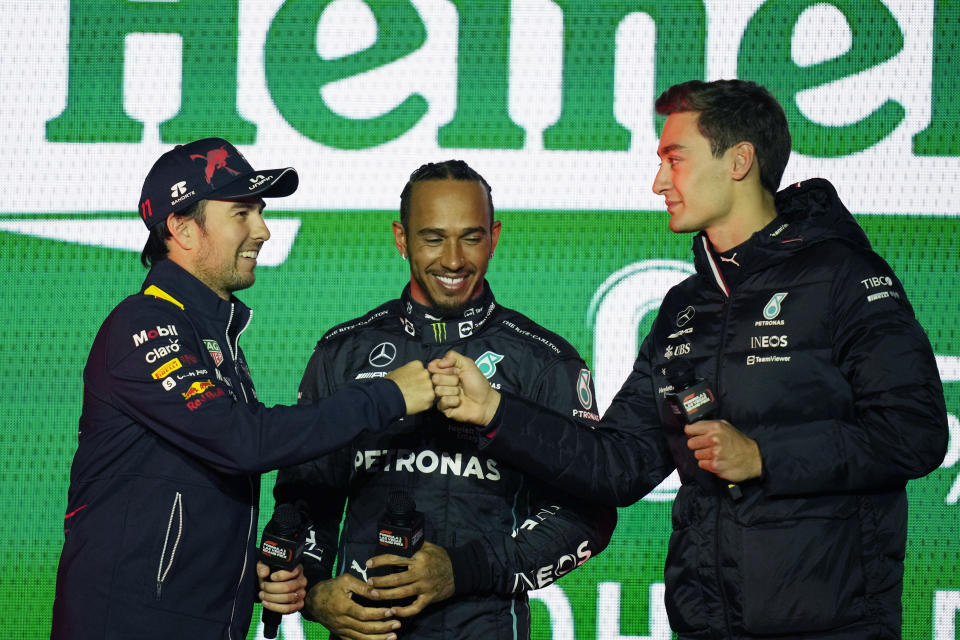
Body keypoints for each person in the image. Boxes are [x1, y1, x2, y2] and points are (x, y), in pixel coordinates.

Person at [433, 80, 949, 639]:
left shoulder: (844, 276)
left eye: (674, 159)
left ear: (739, 160)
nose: (658, 182)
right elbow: (618, 465)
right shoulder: (686, 306)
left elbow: (915, 432)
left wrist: (763, 455)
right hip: (707, 626)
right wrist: (496, 412)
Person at [50, 138, 436, 640]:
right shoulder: (143, 325)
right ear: (182, 228)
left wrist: (244, 574)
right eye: (242, 213)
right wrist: (386, 395)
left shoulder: (211, 336)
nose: (263, 229)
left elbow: (184, 493)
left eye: (260, 211)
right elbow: (241, 442)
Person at [270, 160, 616, 640]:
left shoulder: (545, 361)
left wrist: (464, 569)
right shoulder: (342, 352)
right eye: (433, 238)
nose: (453, 260)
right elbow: (305, 498)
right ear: (401, 238)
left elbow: (587, 517)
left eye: (470, 238)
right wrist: (313, 592)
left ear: (494, 237)